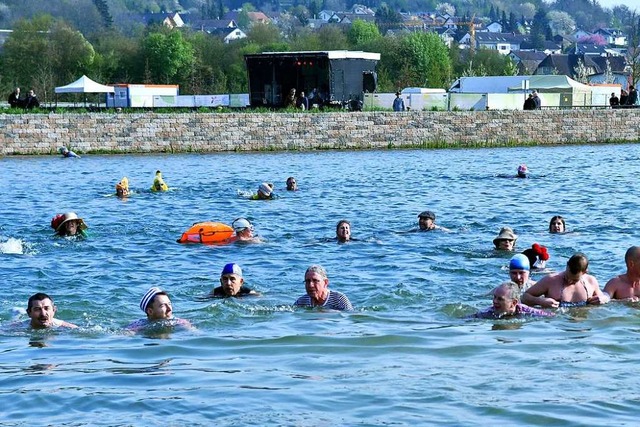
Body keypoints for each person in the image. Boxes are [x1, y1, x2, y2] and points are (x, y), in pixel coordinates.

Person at [522, 253, 610, 308]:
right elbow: (524, 297)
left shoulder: (591, 281)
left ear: (585, 272)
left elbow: (605, 298)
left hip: (583, 325)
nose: (569, 281)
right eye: (567, 276)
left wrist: (603, 299)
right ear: (567, 265)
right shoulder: (550, 280)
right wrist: (540, 301)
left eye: (575, 280)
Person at [471, 281, 553, 319]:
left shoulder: (526, 311)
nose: (494, 301)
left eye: (500, 299)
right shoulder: (487, 313)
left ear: (513, 303)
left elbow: (550, 315)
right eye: (494, 297)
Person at [126, 287, 192, 331]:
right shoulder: (138, 325)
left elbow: (195, 333)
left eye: (169, 304)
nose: (169, 309)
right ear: (150, 311)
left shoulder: (181, 322)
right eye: (163, 306)